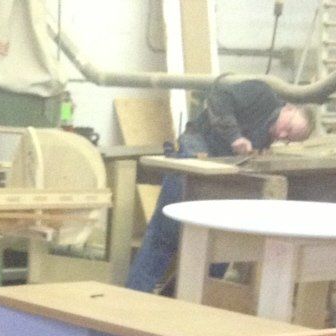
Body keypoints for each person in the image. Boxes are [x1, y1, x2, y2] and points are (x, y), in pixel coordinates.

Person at [124, 81, 313, 294]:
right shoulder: (262, 94)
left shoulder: (266, 136)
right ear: (288, 108)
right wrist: (235, 136)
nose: (283, 136)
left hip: (222, 169)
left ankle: (178, 304)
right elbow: (218, 94)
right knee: (165, 234)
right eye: (287, 129)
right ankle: (132, 299)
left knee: (222, 249)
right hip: (198, 147)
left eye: (288, 139)